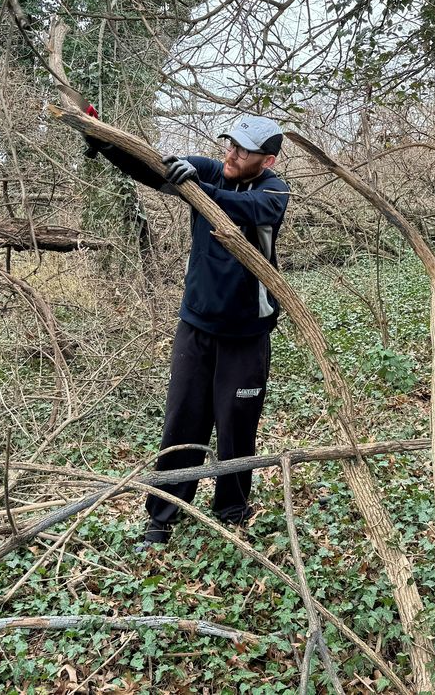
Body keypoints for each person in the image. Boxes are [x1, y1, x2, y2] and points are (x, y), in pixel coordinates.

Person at [86, 115, 289, 547]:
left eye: (243, 150)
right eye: (229, 145)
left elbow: (247, 209)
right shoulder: (212, 171)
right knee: (183, 421)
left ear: (267, 159)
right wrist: (105, 142)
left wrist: (194, 189)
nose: (230, 154)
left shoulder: (274, 191)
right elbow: (151, 167)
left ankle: (232, 511)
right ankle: (161, 518)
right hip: (196, 326)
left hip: (247, 334)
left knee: (237, 426)